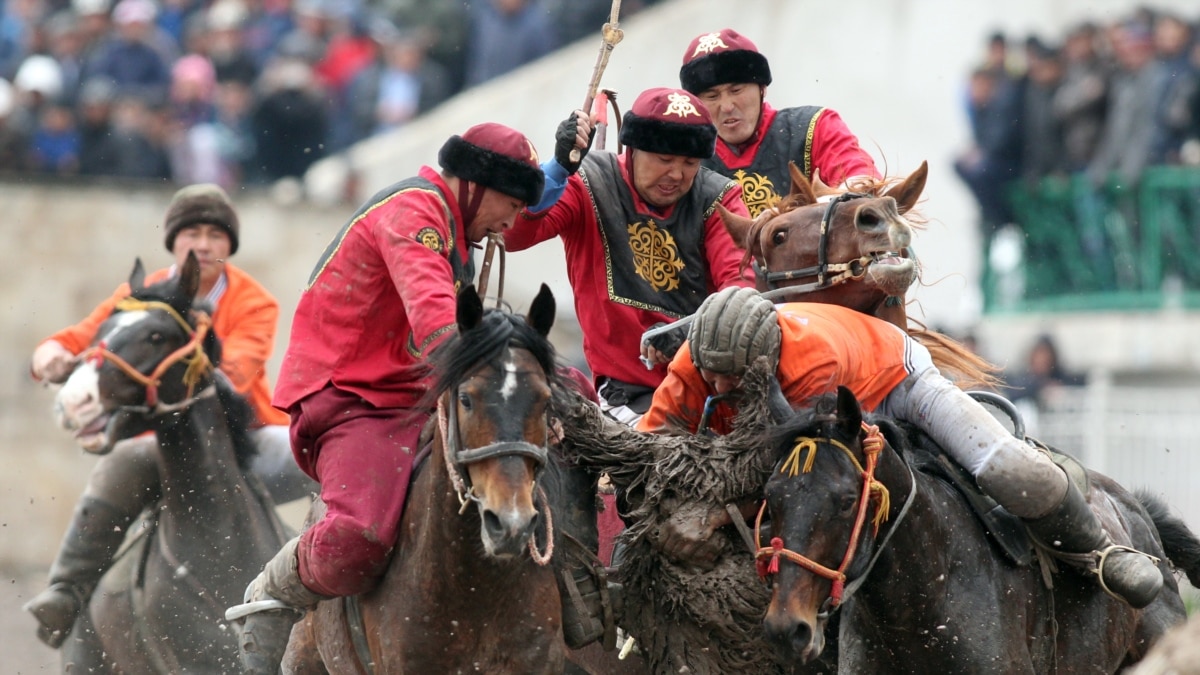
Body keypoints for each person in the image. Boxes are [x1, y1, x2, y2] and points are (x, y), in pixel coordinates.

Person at [226, 117, 594, 673]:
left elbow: (452, 337)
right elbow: (436, 325)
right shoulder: (416, 214)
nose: (511, 224)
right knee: (359, 539)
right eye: (511, 208)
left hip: (416, 389)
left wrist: (559, 169)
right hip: (350, 397)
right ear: (476, 186)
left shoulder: (457, 215)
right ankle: (271, 594)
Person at [639, 287, 1164, 610]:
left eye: (733, 377)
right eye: (710, 372)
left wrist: (712, 513)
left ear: (766, 358)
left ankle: (1098, 551)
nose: (718, 384)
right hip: (833, 396)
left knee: (1009, 470)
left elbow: (793, 472)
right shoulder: (696, 361)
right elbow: (652, 439)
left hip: (896, 380)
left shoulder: (809, 364)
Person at [24, 183, 317, 648]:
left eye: (215, 235)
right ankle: (66, 590)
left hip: (245, 441)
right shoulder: (137, 298)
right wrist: (51, 356)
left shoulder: (255, 300)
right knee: (120, 461)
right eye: (192, 233)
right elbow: (78, 338)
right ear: (174, 241)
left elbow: (236, 374)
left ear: (229, 247)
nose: (202, 244)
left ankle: (339, 576)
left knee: (321, 452)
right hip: (162, 442)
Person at [505, 86, 754, 426]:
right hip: (627, 395)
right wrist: (557, 170)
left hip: (715, 388)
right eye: (664, 160)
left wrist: (693, 335)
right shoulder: (585, 182)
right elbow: (513, 234)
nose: (677, 174)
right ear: (632, 149)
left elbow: (742, 289)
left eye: (690, 163)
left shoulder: (719, 198)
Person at [678, 28, 880, 217]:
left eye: (736, 90)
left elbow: (861, 178)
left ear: (762, 89)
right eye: (712, 97)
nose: (727, 106)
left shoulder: (815, 126)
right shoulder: (682, 158)